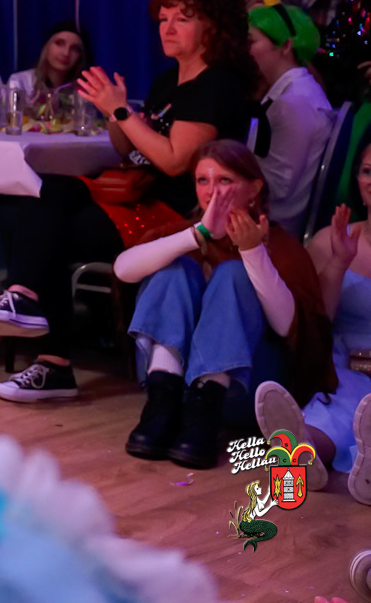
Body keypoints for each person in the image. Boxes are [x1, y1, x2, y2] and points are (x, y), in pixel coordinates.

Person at [0, 0, 260, 402]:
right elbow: (127, 148)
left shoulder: (216, 85)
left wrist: (122, 110)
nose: (168, 28)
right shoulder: (168, 82)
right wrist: (113, 113)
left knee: (51, 232)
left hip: (173, 211)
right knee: (47, 194)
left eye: (182, 19)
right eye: (163, 19)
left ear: (212, 27)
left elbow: (174, 160)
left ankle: (51, 360)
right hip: (136, 194)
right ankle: (22, 298)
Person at [116, 141, 331, 469]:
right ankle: (161, 406)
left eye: (225, 180)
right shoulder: (185, 231)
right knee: (175, 268)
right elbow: (123, 269)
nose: (212, 191)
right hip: (176, 390)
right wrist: (197, 234)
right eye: (203, 180)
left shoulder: (281, 245)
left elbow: (287, 326)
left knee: (234, 274)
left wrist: (252, 252)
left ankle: (204, 412)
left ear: (254, 188)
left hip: (242, 391)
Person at [255, 138, 371, 504]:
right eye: (368, 171)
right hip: (346, 366)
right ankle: (296, 455)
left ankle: (364, 472)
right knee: (339, 410)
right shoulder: (328, 240)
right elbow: (316, 321)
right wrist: (338, 263)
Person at [248, 0, 336, 232]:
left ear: (286, 46)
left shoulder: (295, 102)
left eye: (251, 42)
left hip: (272, 229)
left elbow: (279, 187)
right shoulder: (290, 92)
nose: (244, 51)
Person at [8, 18, 91, 107]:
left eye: (75, 49)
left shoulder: (83, 92)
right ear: (46, 46)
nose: (66, 53)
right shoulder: (21, 82)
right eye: (59, 43)